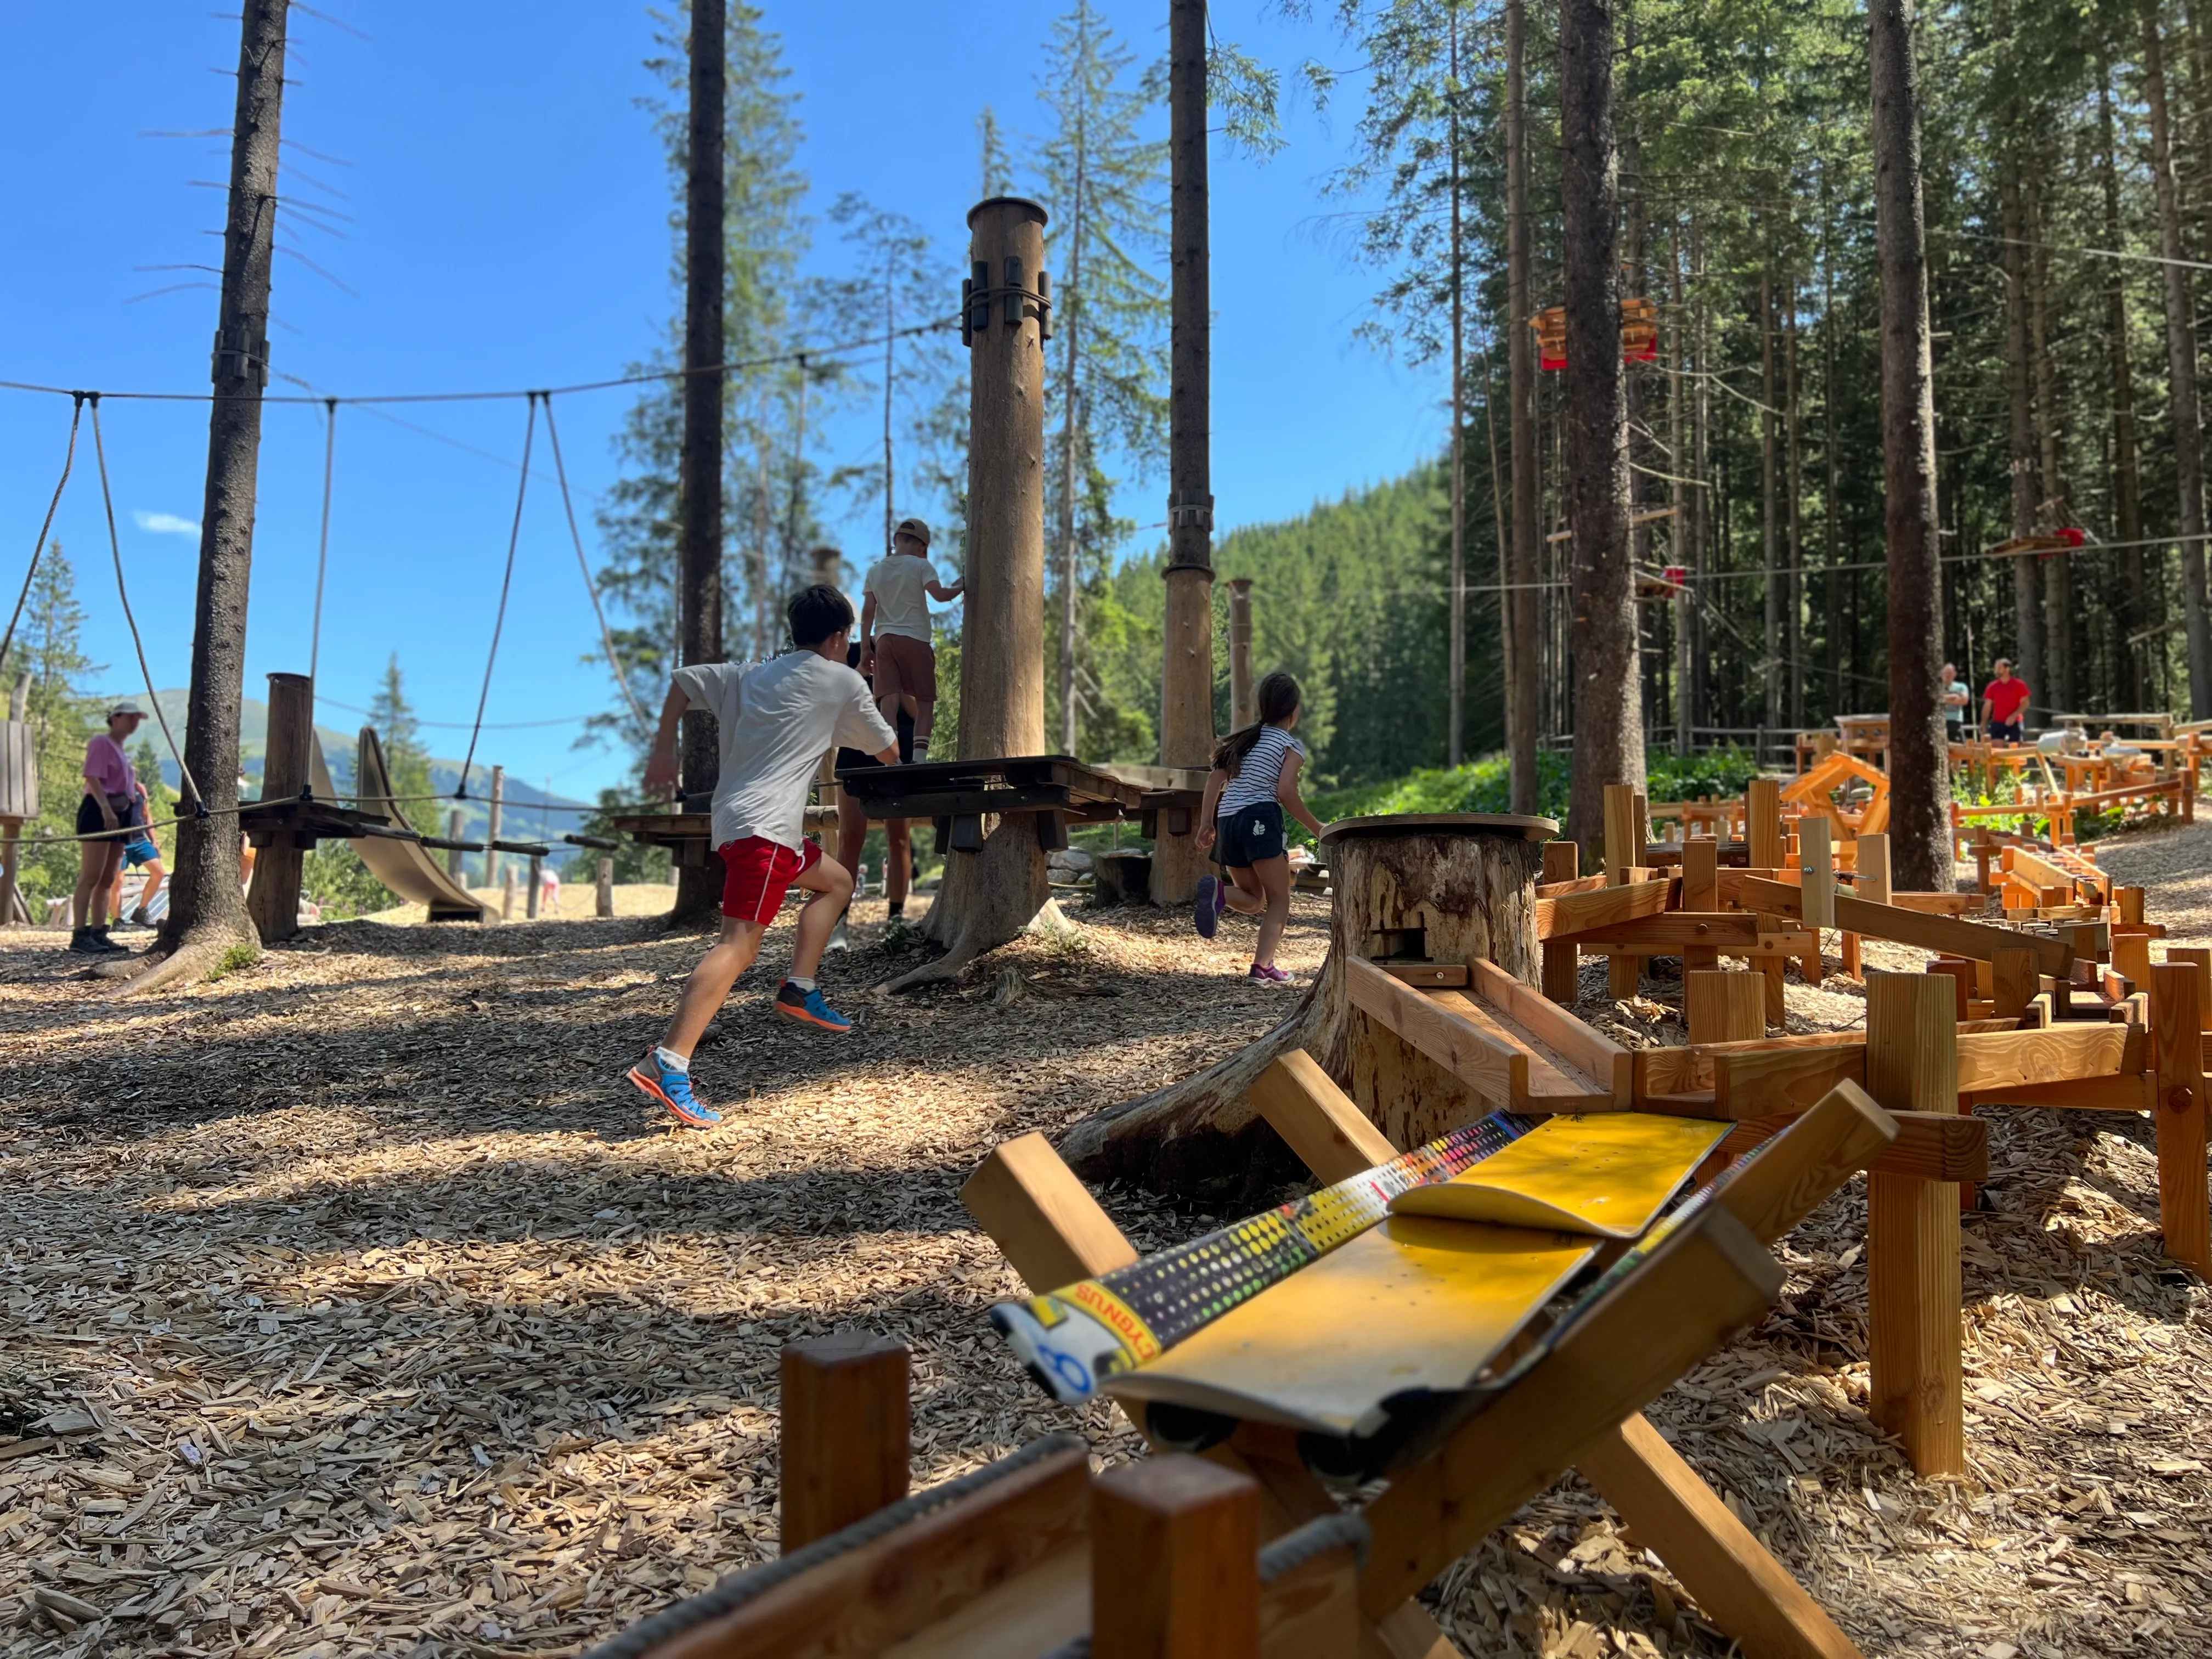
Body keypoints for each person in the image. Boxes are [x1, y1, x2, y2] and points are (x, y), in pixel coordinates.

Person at [627, 584, 900, 1128]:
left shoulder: (749, 674)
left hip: (742, 826)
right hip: (768, 833)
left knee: (838, 882)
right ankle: (668, 1061)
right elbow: (889, 752)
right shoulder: (842, 680)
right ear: (841, 637)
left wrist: (662, 751)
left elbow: (683, 683)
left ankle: (800, 988)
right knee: (738, 945)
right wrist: (864, 689)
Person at [1192, 670, 1326, 985]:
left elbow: (1215, 779)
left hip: (1228, 820)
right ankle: (1262, 967)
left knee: (1254, 900)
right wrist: (1318, 828)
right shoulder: (1290, 745)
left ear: (1264, 706)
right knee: (1280, 900)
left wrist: (1206, 824)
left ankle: (1221, 893)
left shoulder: (1244, 740)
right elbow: (1286, 792)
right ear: (1294, 709)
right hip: (1259, 819)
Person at [860, 517, 964, 764]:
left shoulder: (875, 571)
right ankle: (919, 759)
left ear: (896, 542)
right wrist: (960, 586)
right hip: (916, 639)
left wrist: (866, 648)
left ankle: (891, 760)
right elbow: (939, 596)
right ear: (923, 548)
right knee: (925, 700)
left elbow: (867, 613)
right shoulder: (920, 566)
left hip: (884, 641)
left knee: (889, 700)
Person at [71, 701, 147, 955]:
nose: (134, 723)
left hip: (122, 813)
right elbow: (92, 776)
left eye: (137, 719)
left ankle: (99, 931)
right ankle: (79, 935)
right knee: (91, 875)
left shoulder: (121, 751)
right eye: (129, 718)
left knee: (107, 878)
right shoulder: (101, 743)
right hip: (99, 809)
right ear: (115, 718)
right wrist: (104, 808)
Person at [109, 777, 166, 928]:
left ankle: (141, 910)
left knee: (159, 872)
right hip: (119, 843)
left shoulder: (140, 788)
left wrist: (154, 840)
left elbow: (146, 815)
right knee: (118, 880)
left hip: (140, 841)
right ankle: (117, 920)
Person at [1982, 658, 2032, 744]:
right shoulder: (1992, 686)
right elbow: (1987, 706)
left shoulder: (2019, 684)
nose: (1996, 670)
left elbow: (2026, 703)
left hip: (2016, 721)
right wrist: (1983, 722)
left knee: (2015, 750)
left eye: (1999, 668)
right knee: (1996, 750)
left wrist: (2014, 715)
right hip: (1998, 722)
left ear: (2007, 669)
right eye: (1996, 668)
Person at [1939, 662, 1971, 735]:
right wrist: (1954, 697)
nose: (1948, 675)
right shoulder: (1937, 688)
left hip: (1955, 721)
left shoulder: (1961, 686)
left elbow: (1964, 700)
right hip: (1940, 721)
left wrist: (1943, 699)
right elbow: (1934, 700)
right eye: (1946, 673)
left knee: (1956, 745)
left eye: (1950, 673)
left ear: (1955, 674)